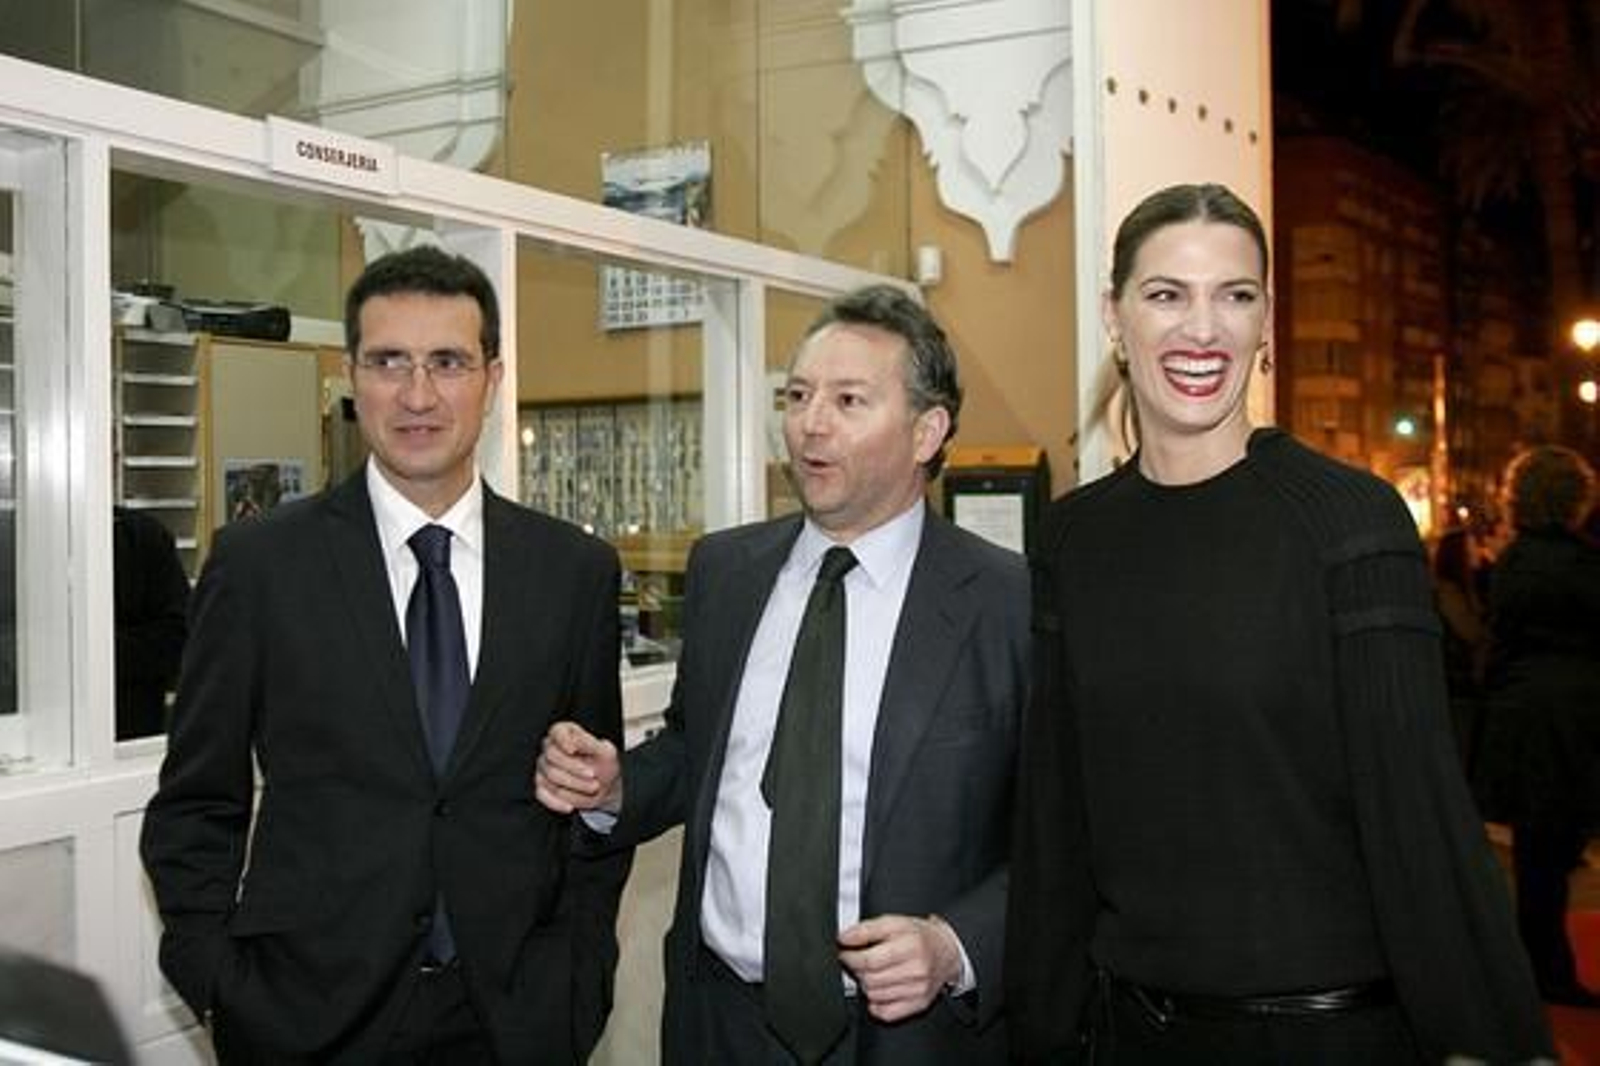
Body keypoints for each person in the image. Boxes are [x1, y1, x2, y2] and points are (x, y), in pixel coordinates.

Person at [1007, 183, 1552, 1064]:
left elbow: (1418, 815)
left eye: (1235, 295)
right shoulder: (1073, 538)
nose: (1202, 329)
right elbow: (1054, 823)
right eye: (1166, 294)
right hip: (1126, 1034)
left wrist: (1492, 1045)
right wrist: (1040, 1031)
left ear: (1265, 322)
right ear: (1114, 315)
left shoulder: (1349, 522)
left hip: (1323, 1037)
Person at [140, 245, 632, 1063]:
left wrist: (579, 982)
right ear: (351, 375)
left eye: (448, 362)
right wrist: (222, 987)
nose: (418, 395)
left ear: (492, 379)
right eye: (389, 361)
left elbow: (591, 796)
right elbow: (196, 804)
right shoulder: (260, 566)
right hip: (307, 1019)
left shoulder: (572, 572)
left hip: (514, 1020)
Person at [535, 284, 1029, 1064]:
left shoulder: (1007, 602)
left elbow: (1055, 843)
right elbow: (698, 752)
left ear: (926, 431)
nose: (810, 424)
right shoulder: (727, 571)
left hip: (909, 1035)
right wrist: (617, 786)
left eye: (848, 400)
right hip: (719, 1022)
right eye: (797, 396)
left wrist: (954, 945)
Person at [1473, 445, 1600, 1007]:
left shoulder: (1511, 562)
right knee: (1556, 848)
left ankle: (1536, 966)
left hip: (1521, 715)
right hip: (1575, 716)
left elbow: (1497, 643)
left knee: (1535, 855)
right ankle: (1550, 972)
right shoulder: (1586, 564)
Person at [113, 505, 189, 740]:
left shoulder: (143, 535)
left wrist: (94, 653)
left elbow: (178, 637)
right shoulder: (25, 536)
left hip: (133, 728)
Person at [1432, 523, 1488, 767]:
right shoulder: (1449, 592)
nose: (1478, 550)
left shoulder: (1464, 589)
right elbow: (1470, 632)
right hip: (1459, 686)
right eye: (1471, 546)